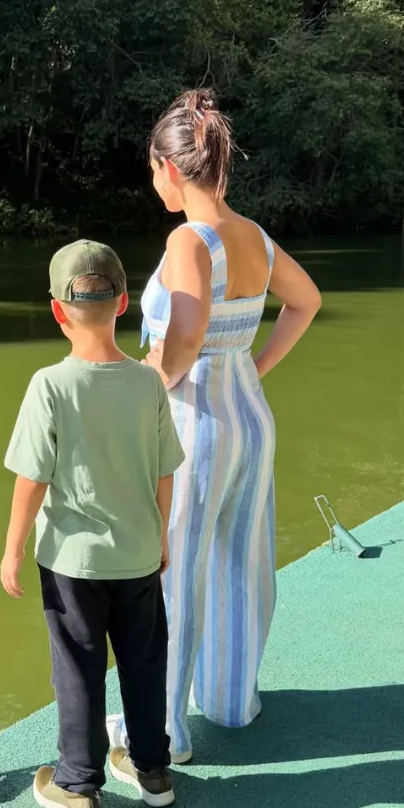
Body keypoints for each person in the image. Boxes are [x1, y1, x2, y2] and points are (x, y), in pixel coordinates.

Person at [107, 88, 322, 763]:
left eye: (152, 170)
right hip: (251, 419)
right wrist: (254, 366)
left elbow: (189, 330)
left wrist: (149, 381)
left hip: (194, 427)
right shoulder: (253, 235)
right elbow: (306, 301)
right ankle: (231, 700)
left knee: (173, 573)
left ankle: (164, 731)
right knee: (241, 562)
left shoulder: (186, 239)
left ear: (170, 169)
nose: (153, 183)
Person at [0, 240, 186, 808]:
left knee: (78, 668)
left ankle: (78, 786)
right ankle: (153, 770)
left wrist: (10, 550)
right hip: (137, 555)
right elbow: (165, 473)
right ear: (124, 302)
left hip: (71, 563)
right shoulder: (149, 383)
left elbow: (31, 480)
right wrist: (160, 538)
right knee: (144, 662)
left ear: (56, 311)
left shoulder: (48, 386)